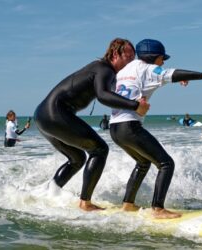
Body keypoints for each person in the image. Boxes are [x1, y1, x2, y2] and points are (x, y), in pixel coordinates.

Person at [109, 39, 202, 219]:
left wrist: (179, 78)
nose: (163, 62)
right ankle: (158, 208)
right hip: (130, 126)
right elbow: (170, 73)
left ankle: (128, 204)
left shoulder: (127, 69)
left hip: (115, 127)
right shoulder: (149, 68)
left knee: (143, 163)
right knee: (166, 164)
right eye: (161, 58)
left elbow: (153, 80)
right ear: (153, 57)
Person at [34, 38, 150, 211]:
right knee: (100, 149)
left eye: (134, 57)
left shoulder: (100, 69)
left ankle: (50, 193)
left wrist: (173, 78)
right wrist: (135, 106)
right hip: (56, 113)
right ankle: (85, 203)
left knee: (77, 158)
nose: (132, 60)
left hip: (42, 115)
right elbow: (103, 95)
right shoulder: (105, 69)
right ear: (115, 53)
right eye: (129, 55)